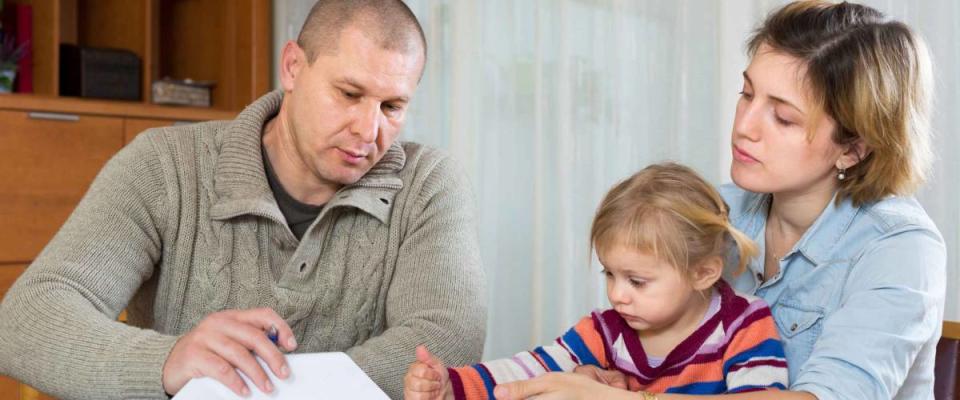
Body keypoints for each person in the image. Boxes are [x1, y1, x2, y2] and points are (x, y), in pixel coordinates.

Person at [0, 1, 487, 399]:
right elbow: (25, 320)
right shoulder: (164, 165)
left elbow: (446, 342)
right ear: (294, 66)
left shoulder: (427, 183)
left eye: (392, 106)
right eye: (348, 93)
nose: (368, 129)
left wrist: (259, 388)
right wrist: (170, 361)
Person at [494, 1, 945, 400]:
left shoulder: (900, 247)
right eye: (746, 94)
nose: (745, 125)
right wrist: (608, 374)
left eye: (783, 118)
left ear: (854, 147)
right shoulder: (717, 212)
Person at [404, 162, 789, 399]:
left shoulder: (743, 326)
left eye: (637, 281)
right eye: (610, 274)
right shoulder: (607, 330)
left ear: (703, 272)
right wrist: (453, 384)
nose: (617, 295)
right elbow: (533, 367)